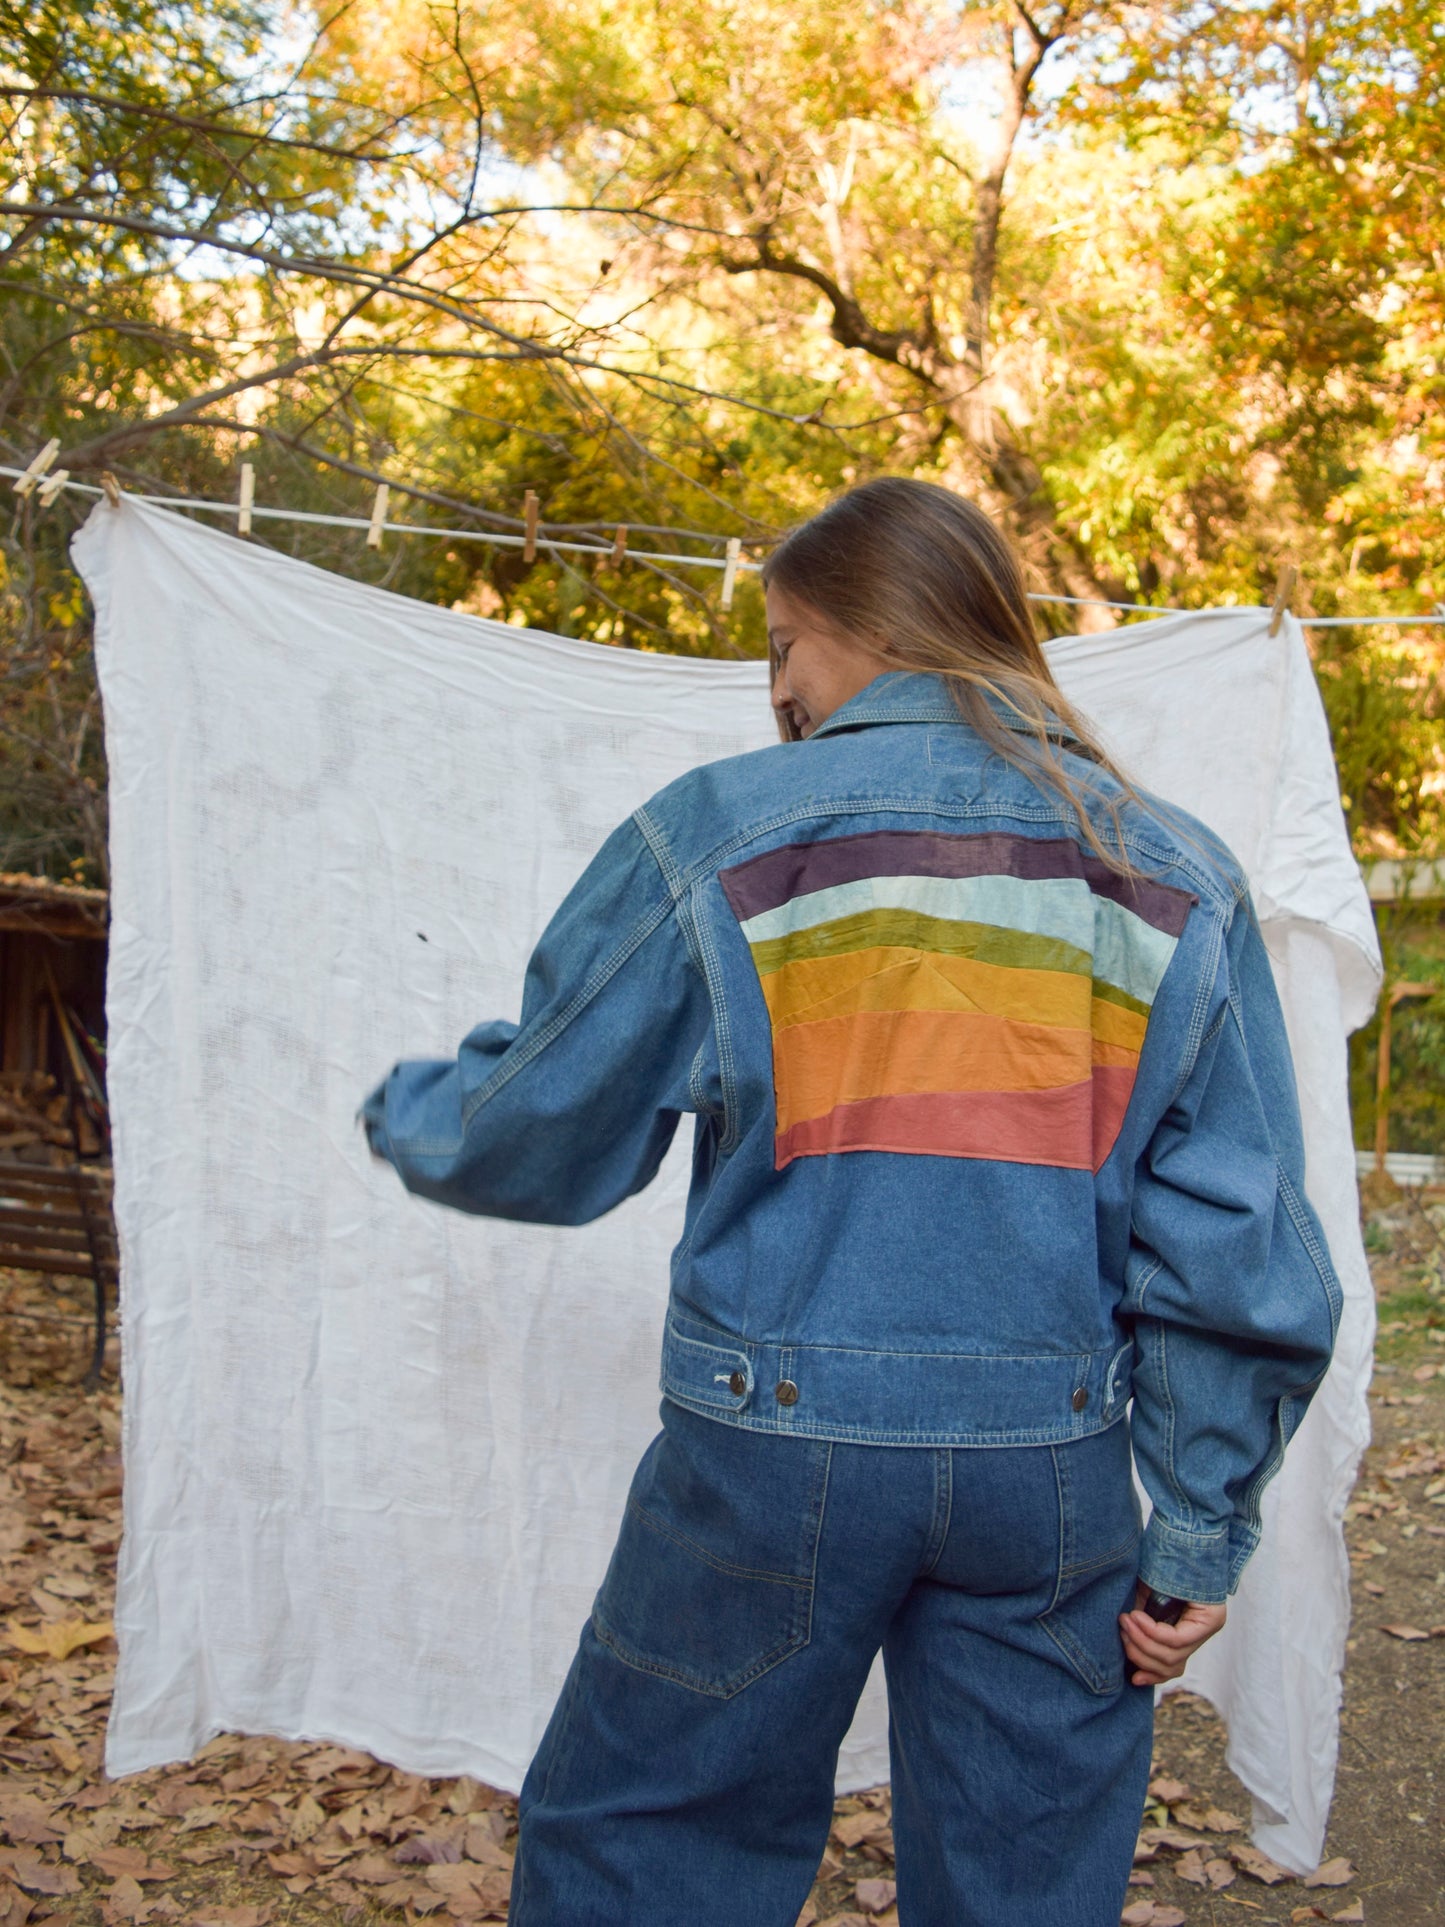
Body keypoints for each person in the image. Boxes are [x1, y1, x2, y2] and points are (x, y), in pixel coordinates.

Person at [362, 478, 1339, 1926]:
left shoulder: (723, 837)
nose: (780, 686)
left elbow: (537, 1133)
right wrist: (1197, 1527)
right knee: (1025, 1887)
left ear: (854, 626)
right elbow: (1234, 1247)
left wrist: (401, 1108)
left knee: (651, 1847)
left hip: (765, 1461)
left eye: (781, 643)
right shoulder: (1165, 873)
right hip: (1049, 1476)